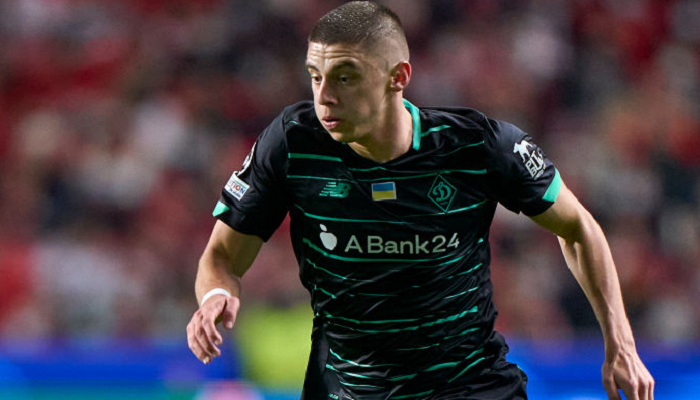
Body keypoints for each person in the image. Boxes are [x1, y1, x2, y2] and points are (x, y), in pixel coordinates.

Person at [186, 2, 655, 399]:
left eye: (345, 77)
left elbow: (578, 229)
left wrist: (622, 344)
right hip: (350, 389)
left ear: (398, 77)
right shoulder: (292, 143)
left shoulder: (479, 146)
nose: (324, 97)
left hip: (470, 386)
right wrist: (215, 295)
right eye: (315, 76)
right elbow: (222, 255)